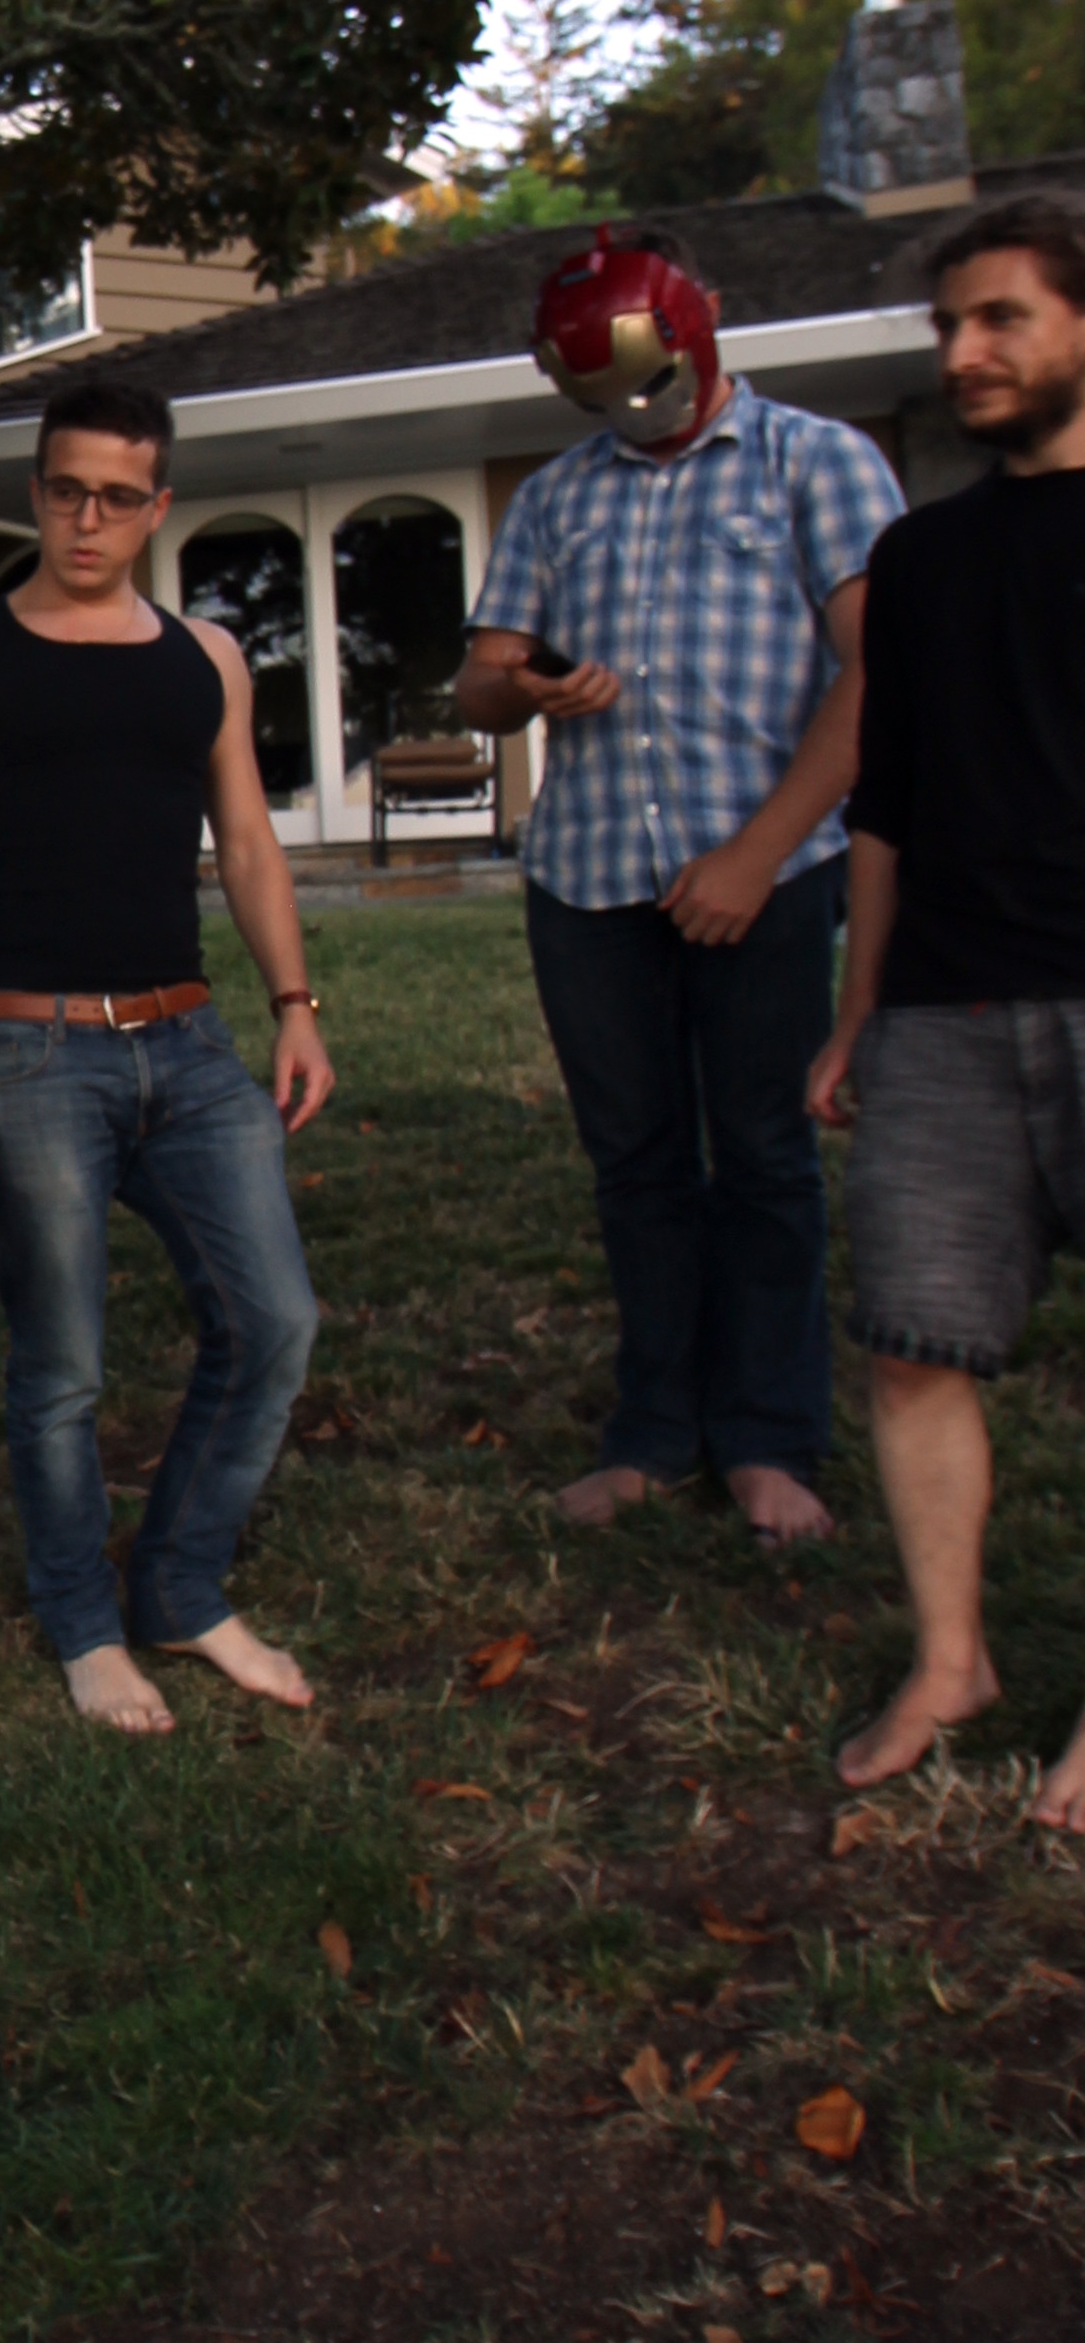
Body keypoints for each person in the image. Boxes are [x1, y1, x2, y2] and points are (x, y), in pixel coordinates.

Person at [0, 369, 335, 1737]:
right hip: (31, 1053)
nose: (88, 520)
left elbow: (246, 842)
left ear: (157, 506)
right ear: (36, 494)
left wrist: (294, 1003)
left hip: (191, 1042)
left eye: (117, 497)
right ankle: (82, 1622)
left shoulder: (205, 658)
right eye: (66, 492)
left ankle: (179, 1584)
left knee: (274, 1321)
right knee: (61, 1367)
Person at [458, 226, 901, 1547]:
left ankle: (768, 1436)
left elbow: (881, 671)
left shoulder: (815, 460)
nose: (628, 414)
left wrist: (757, 854)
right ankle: (653, 1431)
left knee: (762, 1157)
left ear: (697, 329)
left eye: (643, 385)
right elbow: (481, 682)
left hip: (766, 869)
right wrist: (525, 685)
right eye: (594, 397)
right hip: (587, 878)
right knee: (637, 1165)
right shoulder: (556, 496)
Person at [804, 194, 1085, 1812]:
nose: (962, 351)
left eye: (999, 319)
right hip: (944, 1012)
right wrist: (857, 1016)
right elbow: (884, 809)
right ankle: (949, 1658)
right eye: (946, 326)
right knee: (913, 1348)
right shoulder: (919, 557)